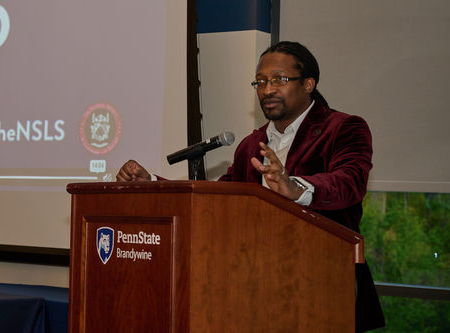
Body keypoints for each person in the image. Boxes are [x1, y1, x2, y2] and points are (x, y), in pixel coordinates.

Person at [116, 41, 385, 331]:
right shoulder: (250, 145)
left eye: (279, 80)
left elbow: (349, 182)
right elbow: (218, 199)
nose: (267, 90)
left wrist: (295, 187)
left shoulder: (345, 128)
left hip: (325, 286)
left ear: (308, 84)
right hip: (257, 287)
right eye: (260, 82)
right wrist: (153, 184)